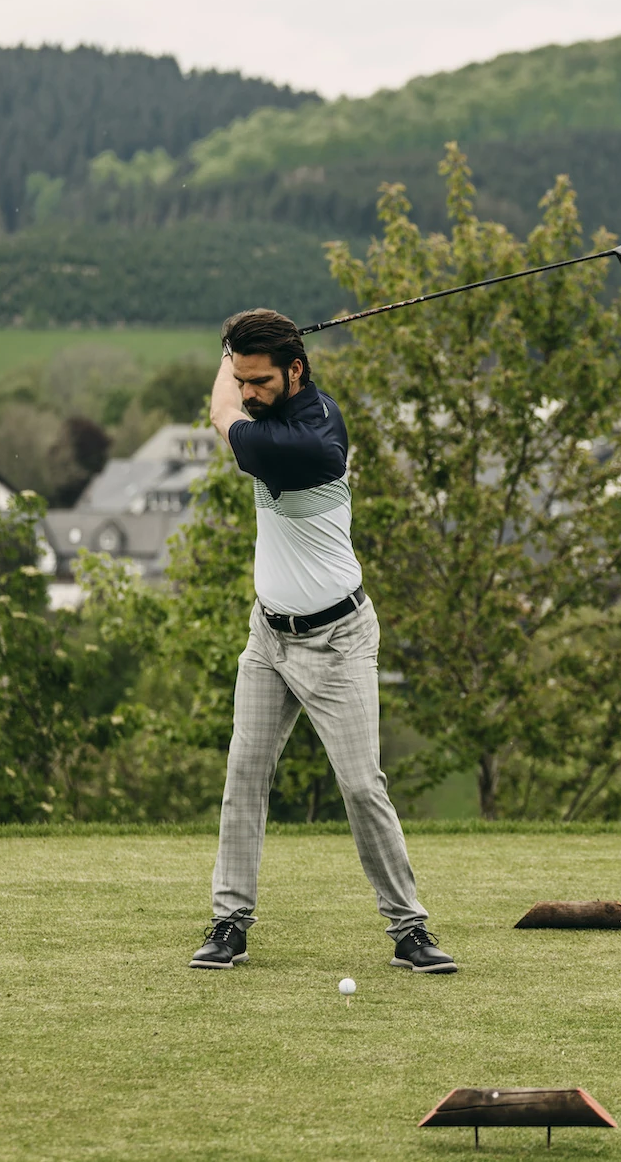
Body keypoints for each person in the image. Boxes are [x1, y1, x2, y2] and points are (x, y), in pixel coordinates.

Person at [189, 308, 456, 975]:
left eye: (260, 379)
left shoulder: (317, 439)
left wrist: (227, 360)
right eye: (243, 377)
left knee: (362, 784)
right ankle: (229, 921)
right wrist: (237, 346)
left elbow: (225, 414)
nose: (247, 390)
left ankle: (409, 929)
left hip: (338, 638)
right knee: (244, 774)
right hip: (269, 636)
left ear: (296, 370)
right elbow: (231, 399)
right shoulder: (266, 399)